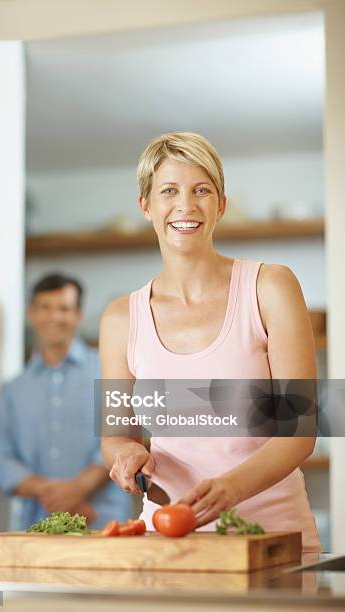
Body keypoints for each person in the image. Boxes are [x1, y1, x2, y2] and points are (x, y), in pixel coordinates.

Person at [100, 132, 321, 552]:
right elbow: (116, 437)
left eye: (201, 190)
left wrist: (230, 489)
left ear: (220, 205)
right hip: (167, 539)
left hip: (272, 539)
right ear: (146, 206)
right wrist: (125, 456)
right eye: (169, 191)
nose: (186, 205)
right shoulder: (120, 318)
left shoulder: (270, 287)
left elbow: (300, 432)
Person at [0, 273, 131, 530]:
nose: (54, 317)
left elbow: (123, 436)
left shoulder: (110, 369)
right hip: (35, 528)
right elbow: (4, 461)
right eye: (45, 308)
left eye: (64, 308)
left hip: (104, 524)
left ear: (78, 315)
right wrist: (57, 495)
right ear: (31, 313)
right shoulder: (12, 390)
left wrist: (76, 489)